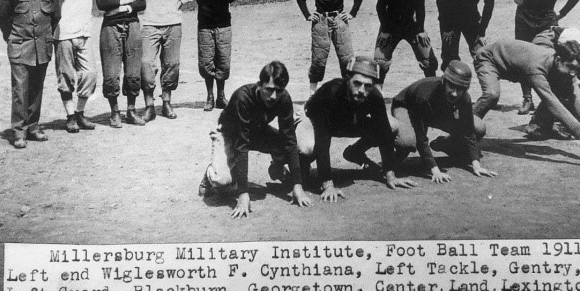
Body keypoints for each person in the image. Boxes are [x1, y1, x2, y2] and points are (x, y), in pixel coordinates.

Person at [472, 38, 580, 163]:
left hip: (513, 65)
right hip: (489, 58)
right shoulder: (536, 67)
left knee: (564, 87)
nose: (573, 73)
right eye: (571, 67)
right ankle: (465, 132)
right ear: (558, 60)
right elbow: (552, 103)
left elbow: (577, 99)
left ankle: (540, 125)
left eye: (577, 69)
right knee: (492, 94)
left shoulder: (560, 64)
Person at [202, 61, 312, 218]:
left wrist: (297, 185)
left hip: (257, 131)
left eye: (279, 91)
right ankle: (209, 174)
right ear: (259, 85)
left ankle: (277, 169)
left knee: (290, 147)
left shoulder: (284, 98)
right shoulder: (243, 97)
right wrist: (243, 194)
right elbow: (241, 146)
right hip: (229, 134)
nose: (274, 96)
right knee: (222, 180)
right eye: (269, 90)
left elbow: (290, 140)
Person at [295, 56, 415, 199]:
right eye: (357, 83)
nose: (362, 90)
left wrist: (390, 175)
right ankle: (287, 163)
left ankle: (355, 152)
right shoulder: (331, 93)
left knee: (392, 126)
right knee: (308, 147)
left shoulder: (374, 95)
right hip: (313, 121)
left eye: (368, 85)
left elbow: (383, 131)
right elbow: (323, 138)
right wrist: (328, 185)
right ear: (347, 79)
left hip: (346, 122)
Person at [131, 0, 206, 120]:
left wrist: (183, 0)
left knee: (171, 65)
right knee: (146, 65)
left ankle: (166, 102)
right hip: (150, 25)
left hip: (173, 25)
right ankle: (149, 106)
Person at [507, 0, 580, 114]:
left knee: (552, 56)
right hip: (525, 16)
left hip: (547, 18)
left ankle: (552, 99)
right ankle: (527, 99)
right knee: (523, 55)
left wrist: (561, 14)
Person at [392, 61, 496, 183]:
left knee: (478, 127)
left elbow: (469, 131)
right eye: (451, 86)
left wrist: (476, 165)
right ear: (443, 81)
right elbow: (421, 135)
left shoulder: (464, 98)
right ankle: (389, 163)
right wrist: (434, 169)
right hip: (406, 106)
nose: (455, 93)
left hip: (436, 112)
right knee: (408, 141)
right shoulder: (424, 95)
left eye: (460, 89)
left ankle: (443, 144)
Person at [0, 0, 61, 148]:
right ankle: (19, 131)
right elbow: (3, 17)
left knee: (36, 89)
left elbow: (55, 17)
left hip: (41, 47)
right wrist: (12, 38)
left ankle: (33, 127)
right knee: (20, 91)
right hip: (19, 46)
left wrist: (46, 38)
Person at [296, 0, 364, 94]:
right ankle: (312, 96)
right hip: (320, 22)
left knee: (347, 59)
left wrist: (352, 13)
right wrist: (308, 15)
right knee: (318, 61)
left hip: (339, 21)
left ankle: (349, 95)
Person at [94, 0, 147, 127]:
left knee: (133, 71)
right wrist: (125, 2)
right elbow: (101, 3)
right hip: (110, 27)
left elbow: (141, 3)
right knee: (111, 72)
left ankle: (131, 111)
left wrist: (117, 9)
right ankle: (115, 112)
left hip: (132, 25)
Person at [191, 0, 250, 111]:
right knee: (206, 62)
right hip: (204, 25)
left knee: (223, 62)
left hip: (224, 25)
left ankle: (221, 97)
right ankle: (209, 97)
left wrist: (229, 0)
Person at [53, 0, 101, 133]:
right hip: (64, 35)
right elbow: (52, 2)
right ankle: (70, 116)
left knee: (90, 74)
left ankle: (80, 112)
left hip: (84, 34)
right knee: (66, 76)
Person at [373, 0, 438, 89]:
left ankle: (433, 91)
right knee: (380, 62)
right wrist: (385, 30)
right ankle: (377, 94)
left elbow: (420, 9)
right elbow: (380, 8)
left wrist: (420, 30)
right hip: (390, 26)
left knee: (428, 60)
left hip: (411, 26)